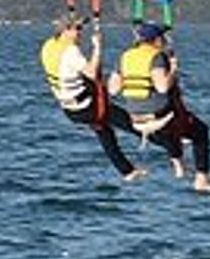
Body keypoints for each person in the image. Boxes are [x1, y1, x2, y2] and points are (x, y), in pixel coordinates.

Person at [109, 21, 210, 193]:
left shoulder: (125, 56)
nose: (164, 41)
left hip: (136, 118)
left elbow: (113, 89)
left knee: (176, 131)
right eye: (162, 37)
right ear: (156, 40)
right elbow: (162, 87)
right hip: (159, 117)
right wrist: (173, 69)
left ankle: (180, 165)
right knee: (200, 131)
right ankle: (201, 180)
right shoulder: (157, 56)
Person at [40, 12, 146, 181]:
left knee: (105, 132)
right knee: (130, 122)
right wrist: (97, 47)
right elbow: (90, 72)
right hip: (87, 107)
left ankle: (127, 172)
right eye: (78, 29)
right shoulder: (70, 51)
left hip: (70, 109)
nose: (81, 33)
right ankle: (167, 139)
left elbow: (69, 73)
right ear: (66, 30)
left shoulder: (48, 45)